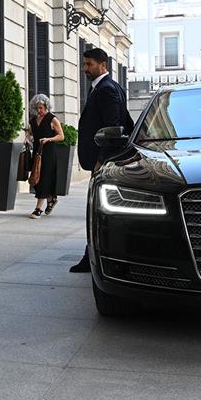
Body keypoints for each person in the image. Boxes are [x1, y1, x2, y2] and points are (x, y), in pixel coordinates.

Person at [69, 48, 133, 273]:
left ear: (103, 65)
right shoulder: (105, 87)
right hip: (102, 161)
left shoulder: (106, 90)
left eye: (89, 65)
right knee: (95, 212)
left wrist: (101, 160)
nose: (85, 69)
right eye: (84, 64)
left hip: (104, 163)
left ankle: (94, 258)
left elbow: (113, 127)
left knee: (97, 212)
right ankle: (91, 257)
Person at [26, 94, 64, 218]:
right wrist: (27, 138)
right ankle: (51, 199)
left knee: (44, 179)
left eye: (41, 108)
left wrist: (49, 139)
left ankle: (38, 209)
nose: (39, 111)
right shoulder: (33, 120)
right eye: (37, 108)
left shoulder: (52, 119)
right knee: (36, 179)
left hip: (48, 153)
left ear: (46, 106)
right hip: (37, 153)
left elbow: (61, 136)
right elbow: (31, 134)